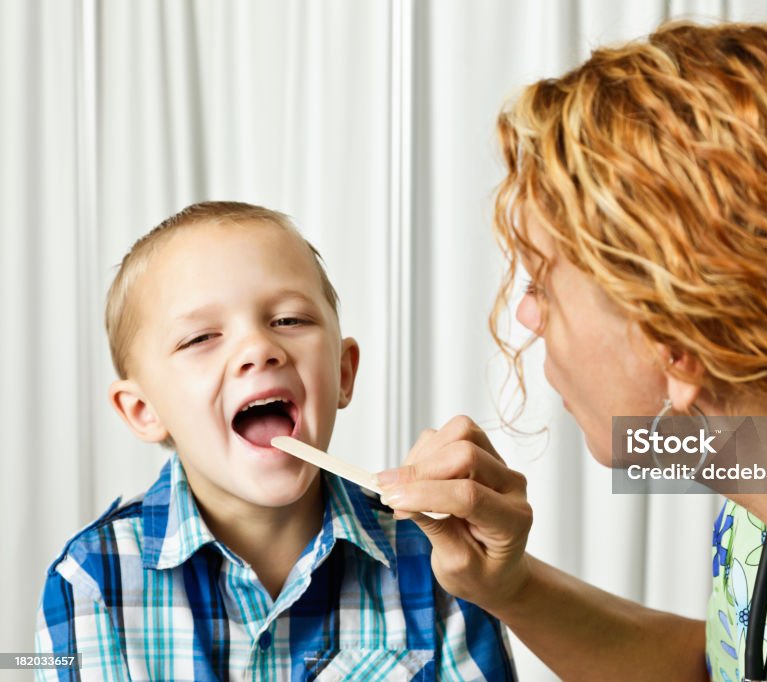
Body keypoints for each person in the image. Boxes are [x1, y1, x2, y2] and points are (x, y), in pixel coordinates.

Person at [374, 21, 767, 681]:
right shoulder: (765, 453)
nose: (527, 314)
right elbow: (725, 667)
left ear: (679, 345)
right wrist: (506, 582)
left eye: (543, 281)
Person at [35, 202, 516, 680]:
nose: (259, 349)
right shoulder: (90, 580)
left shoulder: (440, 562)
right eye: (201, 337)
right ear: (144, 411)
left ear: (343, 373)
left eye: (288, 320)